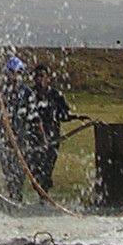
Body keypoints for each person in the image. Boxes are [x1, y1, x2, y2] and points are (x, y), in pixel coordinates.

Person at [0, 56, 37, 197]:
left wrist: (42, 137)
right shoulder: (0, 92)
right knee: (7, 168)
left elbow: (35, 117)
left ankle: (17, 194)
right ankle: (12, 191)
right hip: (4, 138)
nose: (14, 76)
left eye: (17, 73)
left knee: (20, 170)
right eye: (11, 72)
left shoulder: (27, 93)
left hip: (22, 138)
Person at [28, 64, 74, 195]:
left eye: (42, 76)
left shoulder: (55, 95)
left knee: (47, 168)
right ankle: (39, 191)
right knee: (35, 168)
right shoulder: (30, 95)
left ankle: (44, 196)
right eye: (36, 76)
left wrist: (72, 117)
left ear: (48, 78)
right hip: (34, 138)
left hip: (52, 138)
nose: (39, 79)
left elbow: (64, 113)